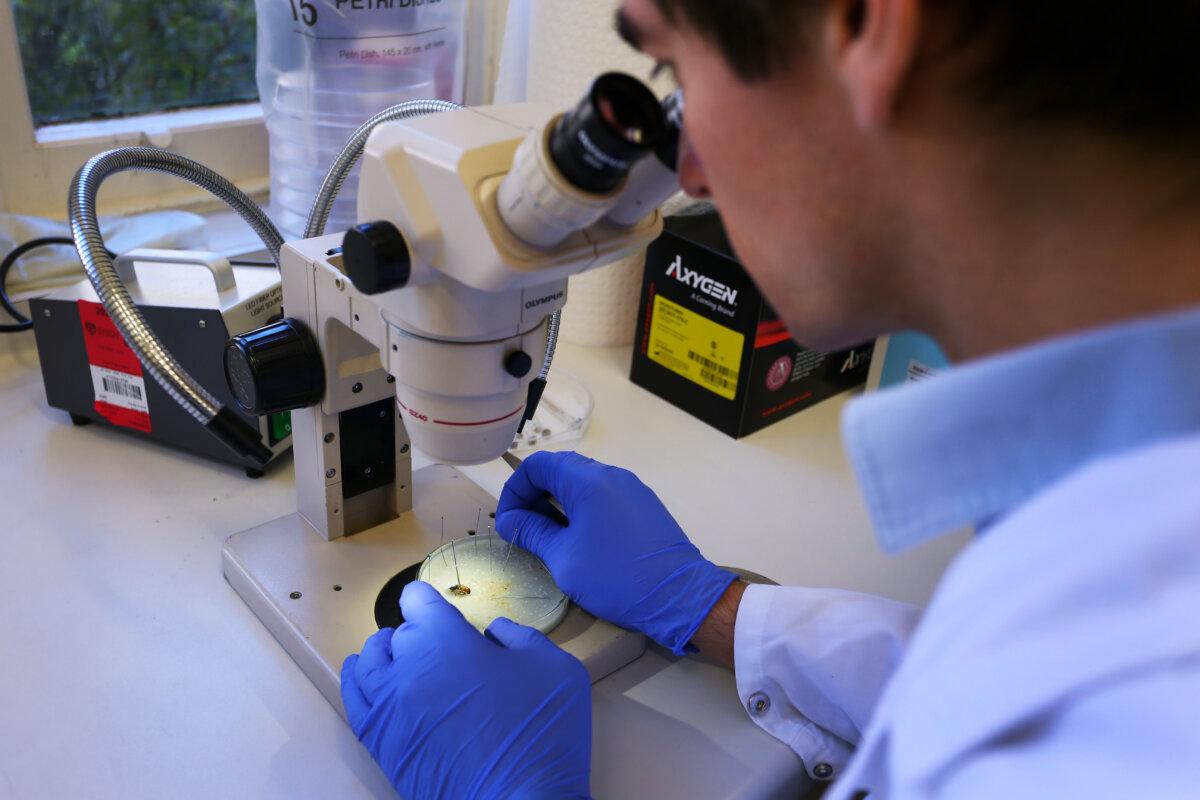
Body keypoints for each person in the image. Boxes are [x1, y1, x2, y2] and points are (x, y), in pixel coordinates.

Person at [338, 0, 1200, 796]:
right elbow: (999, 685)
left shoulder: (1134, 709)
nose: (688, 171)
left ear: (867, 26)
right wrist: (715, 608)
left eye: (678, 77)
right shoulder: (1120, 512)